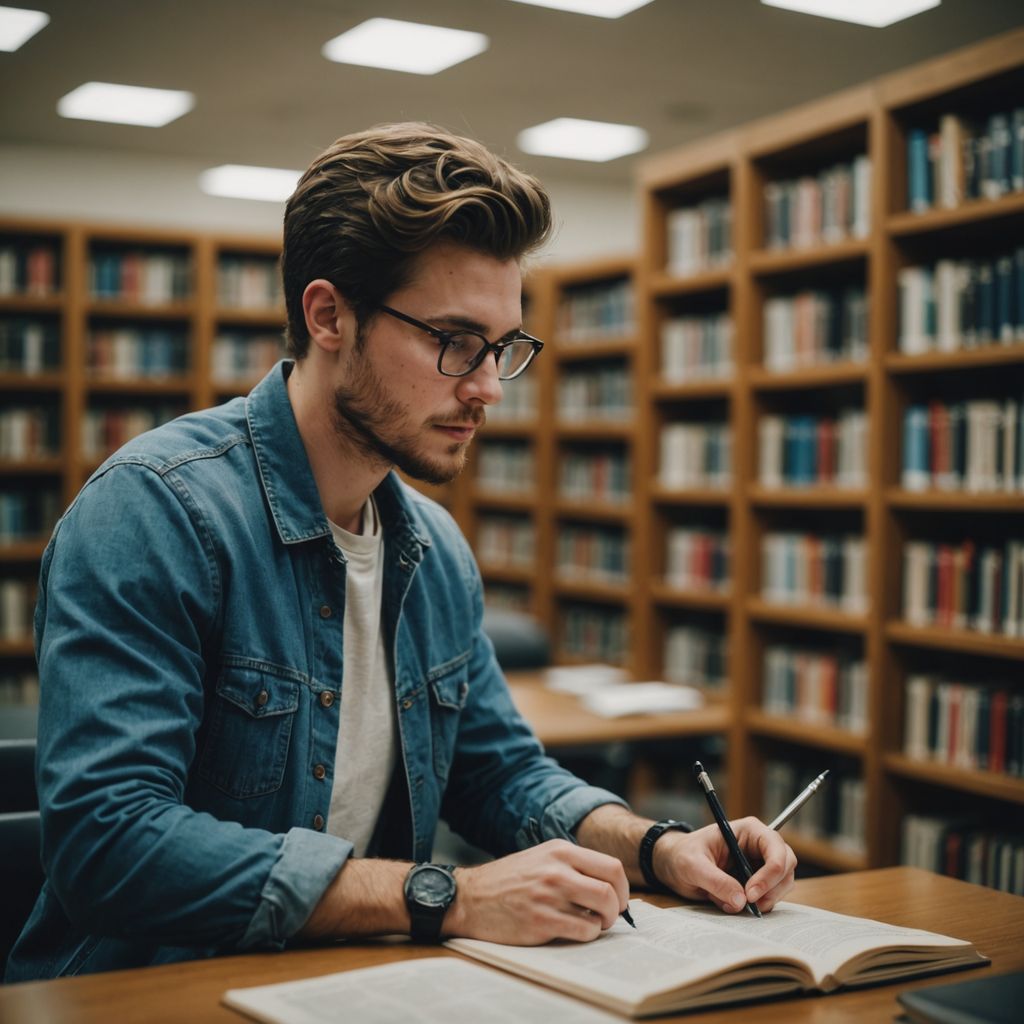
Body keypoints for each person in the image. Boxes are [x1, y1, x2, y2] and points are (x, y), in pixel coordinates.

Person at [6, 123, 795, 981]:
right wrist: (447, 897)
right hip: (144, 992)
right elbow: (109, 844)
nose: (489, 387)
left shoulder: (435, 548)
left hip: (349, 987)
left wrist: (660, 847)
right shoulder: (156, 514)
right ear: (329, 315)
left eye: (504, 349)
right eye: (455, 341)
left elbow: (496, 776)